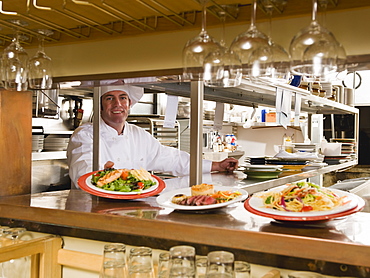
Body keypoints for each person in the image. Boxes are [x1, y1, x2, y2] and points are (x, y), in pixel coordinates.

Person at [67, 84, 238, 188]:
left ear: (129, 104)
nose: (118, 104)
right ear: (100, 105)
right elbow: (83, 174)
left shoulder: (138, 134)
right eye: (110, 98)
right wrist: (107, 178)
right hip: (95, 210)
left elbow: (172, 159)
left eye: (123, 98)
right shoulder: (85, 135)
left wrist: (216, 166)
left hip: (134, 208)